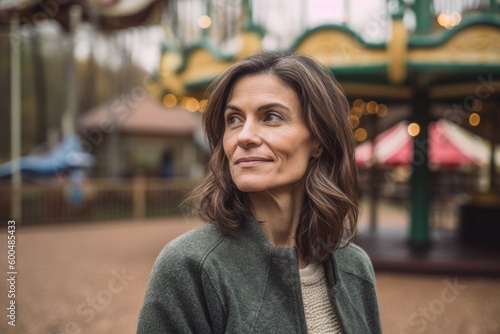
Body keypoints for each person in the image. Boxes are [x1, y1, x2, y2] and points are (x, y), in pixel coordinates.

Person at [137, 51, 381, 333]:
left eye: (271, 117)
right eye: (234, 119)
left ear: (317, 141)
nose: (244, 136)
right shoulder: (190, 266)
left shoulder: (355, 266)